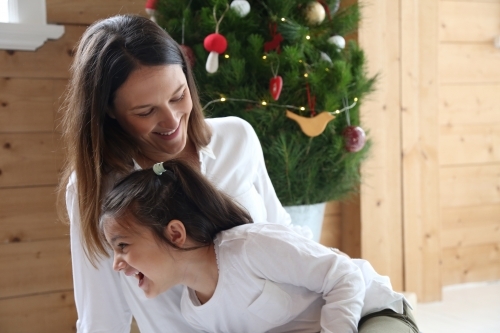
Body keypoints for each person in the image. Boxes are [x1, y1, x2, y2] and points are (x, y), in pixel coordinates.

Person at [59, 14, 418, 333]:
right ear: (109, 111)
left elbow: (286, 234)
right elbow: (101, 317)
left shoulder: (236, 137)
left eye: (178, 95)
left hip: (345, 311)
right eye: (145, 110)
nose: (171, 121)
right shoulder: (96, 190)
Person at [99, 159, 418, 333]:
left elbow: (343, 275)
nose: (117, 263)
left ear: (175, 234)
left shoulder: (249, 248)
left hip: (372, 312)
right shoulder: (195, 313)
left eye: (123, 245)